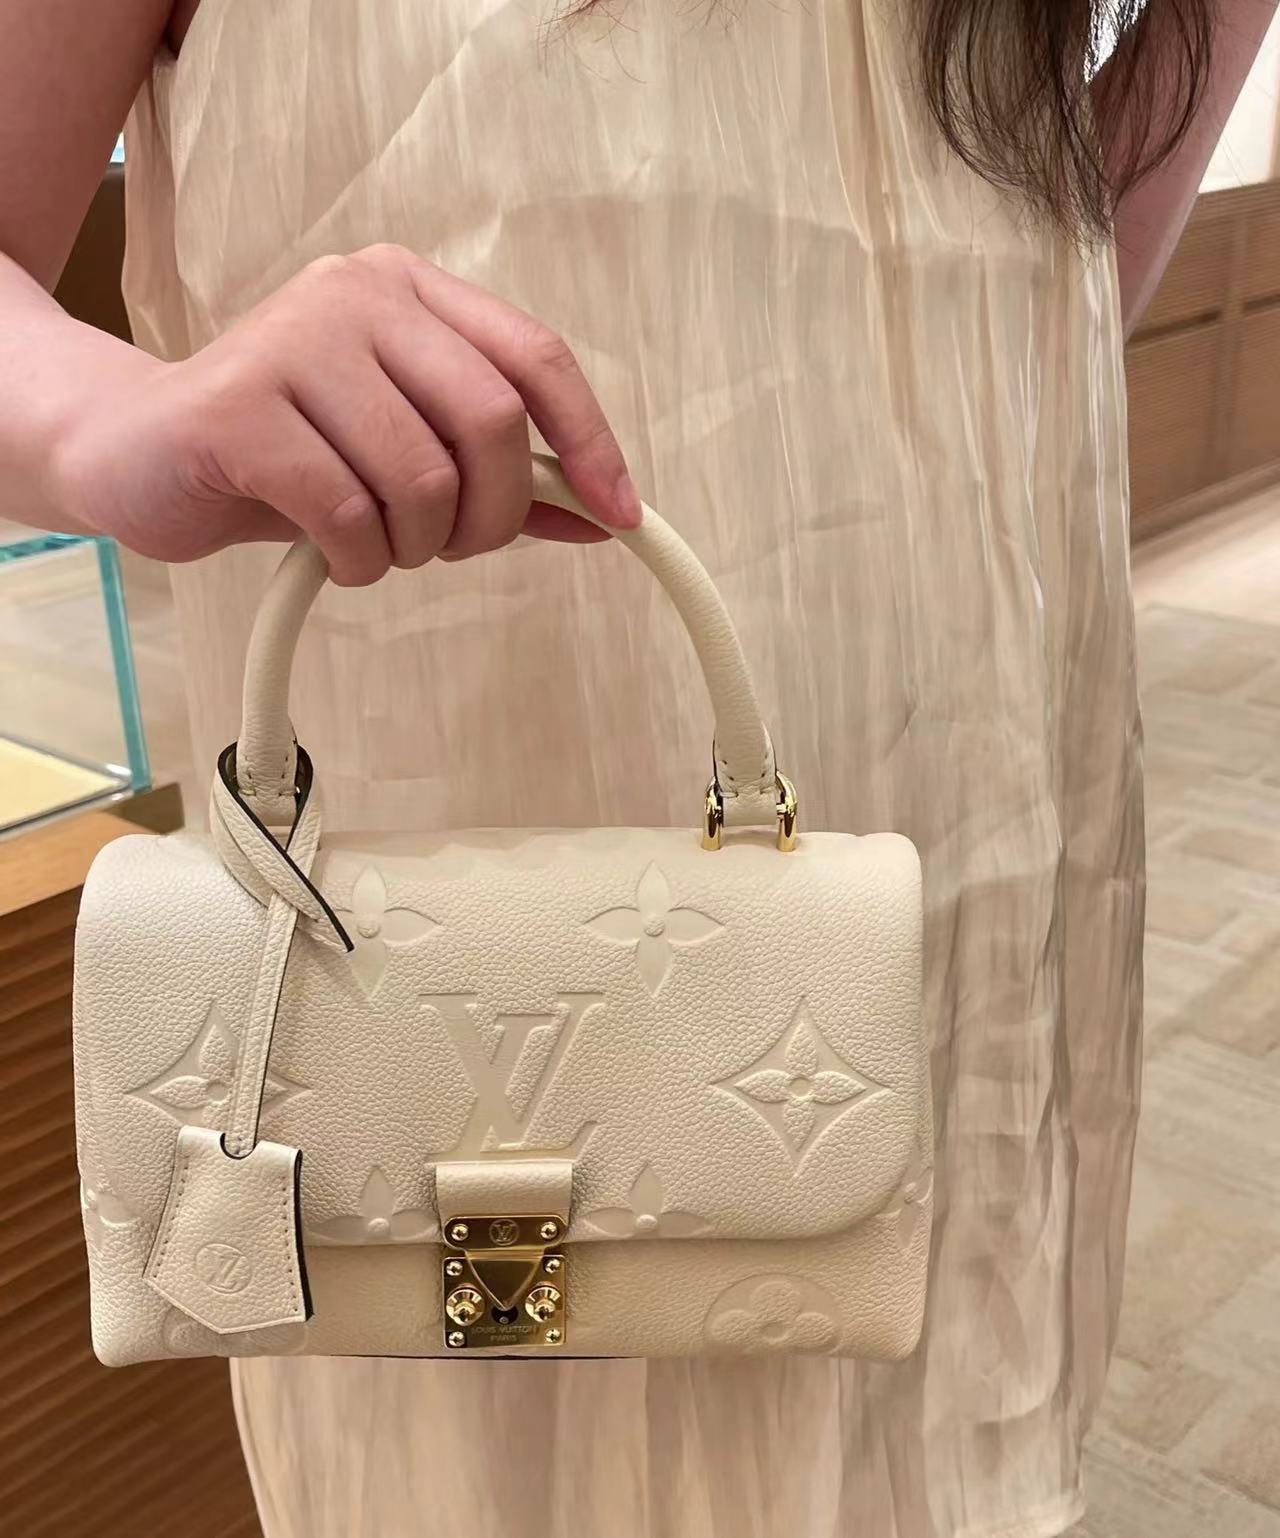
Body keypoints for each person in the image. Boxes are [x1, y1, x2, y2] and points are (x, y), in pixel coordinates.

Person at [2, 2, 1275, 1535]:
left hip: (962, 837)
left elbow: (1035, 320)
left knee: (915, 1385)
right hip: (433, 868)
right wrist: (110, 417)